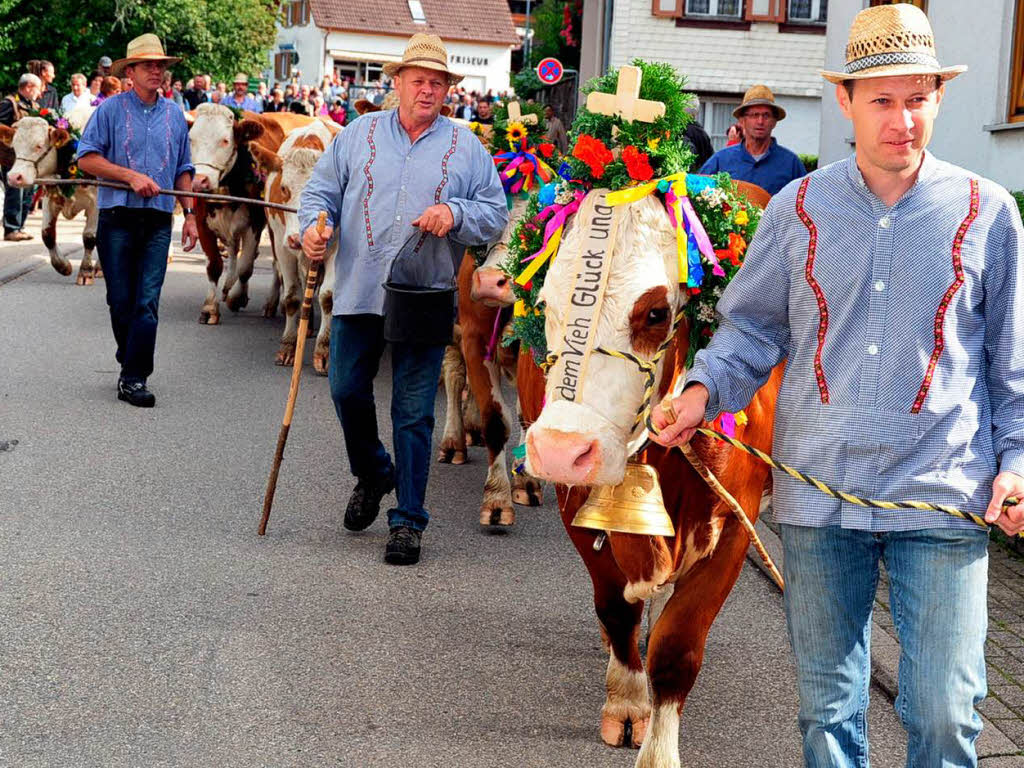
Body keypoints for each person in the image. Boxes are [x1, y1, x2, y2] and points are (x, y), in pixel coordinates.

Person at [651, 5, 1024, 766]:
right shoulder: (798, 209)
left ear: (939, 100)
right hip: (820, 491)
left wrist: (1016, 464)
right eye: (881, 99)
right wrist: (700, 393)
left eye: (916, 97)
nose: (901, 119)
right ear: (847, 102)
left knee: (947, 712)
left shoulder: (989, 213)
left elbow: (1010, 366)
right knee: (827, 710)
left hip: (943, 492)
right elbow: (754, 331)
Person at [299, 33, 508, 565]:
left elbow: (495, 212)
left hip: (425, 294)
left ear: (448, 91)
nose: (427, 90)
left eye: (437, 82)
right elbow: (320, 191)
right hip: (360, 289)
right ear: (397, 83)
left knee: (413, 412)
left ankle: (409, 519)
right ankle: (374, 472)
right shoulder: (358, 134)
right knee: (346, 390)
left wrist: (456, 213)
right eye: (418, 80)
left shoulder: (466, 147)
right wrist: (313, 230)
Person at [77, 33, 198, 408]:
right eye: (149, 65)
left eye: (161, 65)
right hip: (116, 216)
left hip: (159, 220)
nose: (157, 71)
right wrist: (129, 176)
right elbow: (86, 159)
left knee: (146, 301)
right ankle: (129, 352)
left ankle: (134, 377)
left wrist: (191, 215)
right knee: (120, 299)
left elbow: (183, 169)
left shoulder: (176, 114)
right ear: (130, 72)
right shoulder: (110, 110)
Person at [699, 84, 805, 194]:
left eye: (766, 115)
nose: (760, 121)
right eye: (754, 115)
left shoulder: (791, 164)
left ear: (774, 122)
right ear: (742, 120)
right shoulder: (721, 161)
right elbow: (697, 194)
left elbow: (805, 202)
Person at [1, 73, 41, 241]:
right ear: (29, 87)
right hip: (11, 157)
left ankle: (20, 226)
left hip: (28, 158)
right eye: (37, 89)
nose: (39, 93)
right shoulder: (9, 103)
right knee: (15, 193)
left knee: (27, 192)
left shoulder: (34, 105)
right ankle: (11, 228)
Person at [683, 97, 714, 171]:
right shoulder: (703, 134)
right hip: (702, 177)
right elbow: (711, 159)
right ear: (696, 113)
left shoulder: (680, 131)